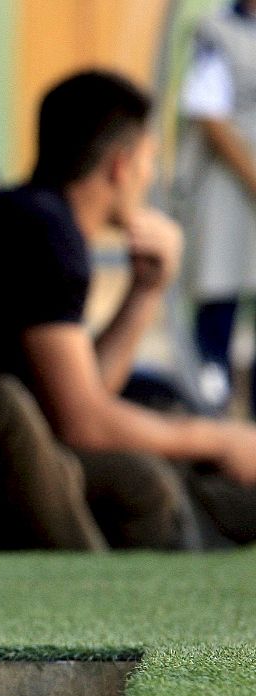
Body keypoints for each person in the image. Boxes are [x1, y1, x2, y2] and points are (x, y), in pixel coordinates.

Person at [0, 70, 256, 549]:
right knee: (136, 477)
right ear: (121, 165)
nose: (150, 177)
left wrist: (146, 290)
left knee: (150, 436)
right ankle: (97, 587)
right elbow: (83, 423)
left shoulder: (36, 218)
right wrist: (221, 438)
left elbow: (86, 395)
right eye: (149, 161)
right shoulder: (43, 230)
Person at [178, 0, 256, 412]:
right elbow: (209, 112)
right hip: (228, 183)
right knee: (220, 286)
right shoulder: (216, 31)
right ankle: (211, 401)